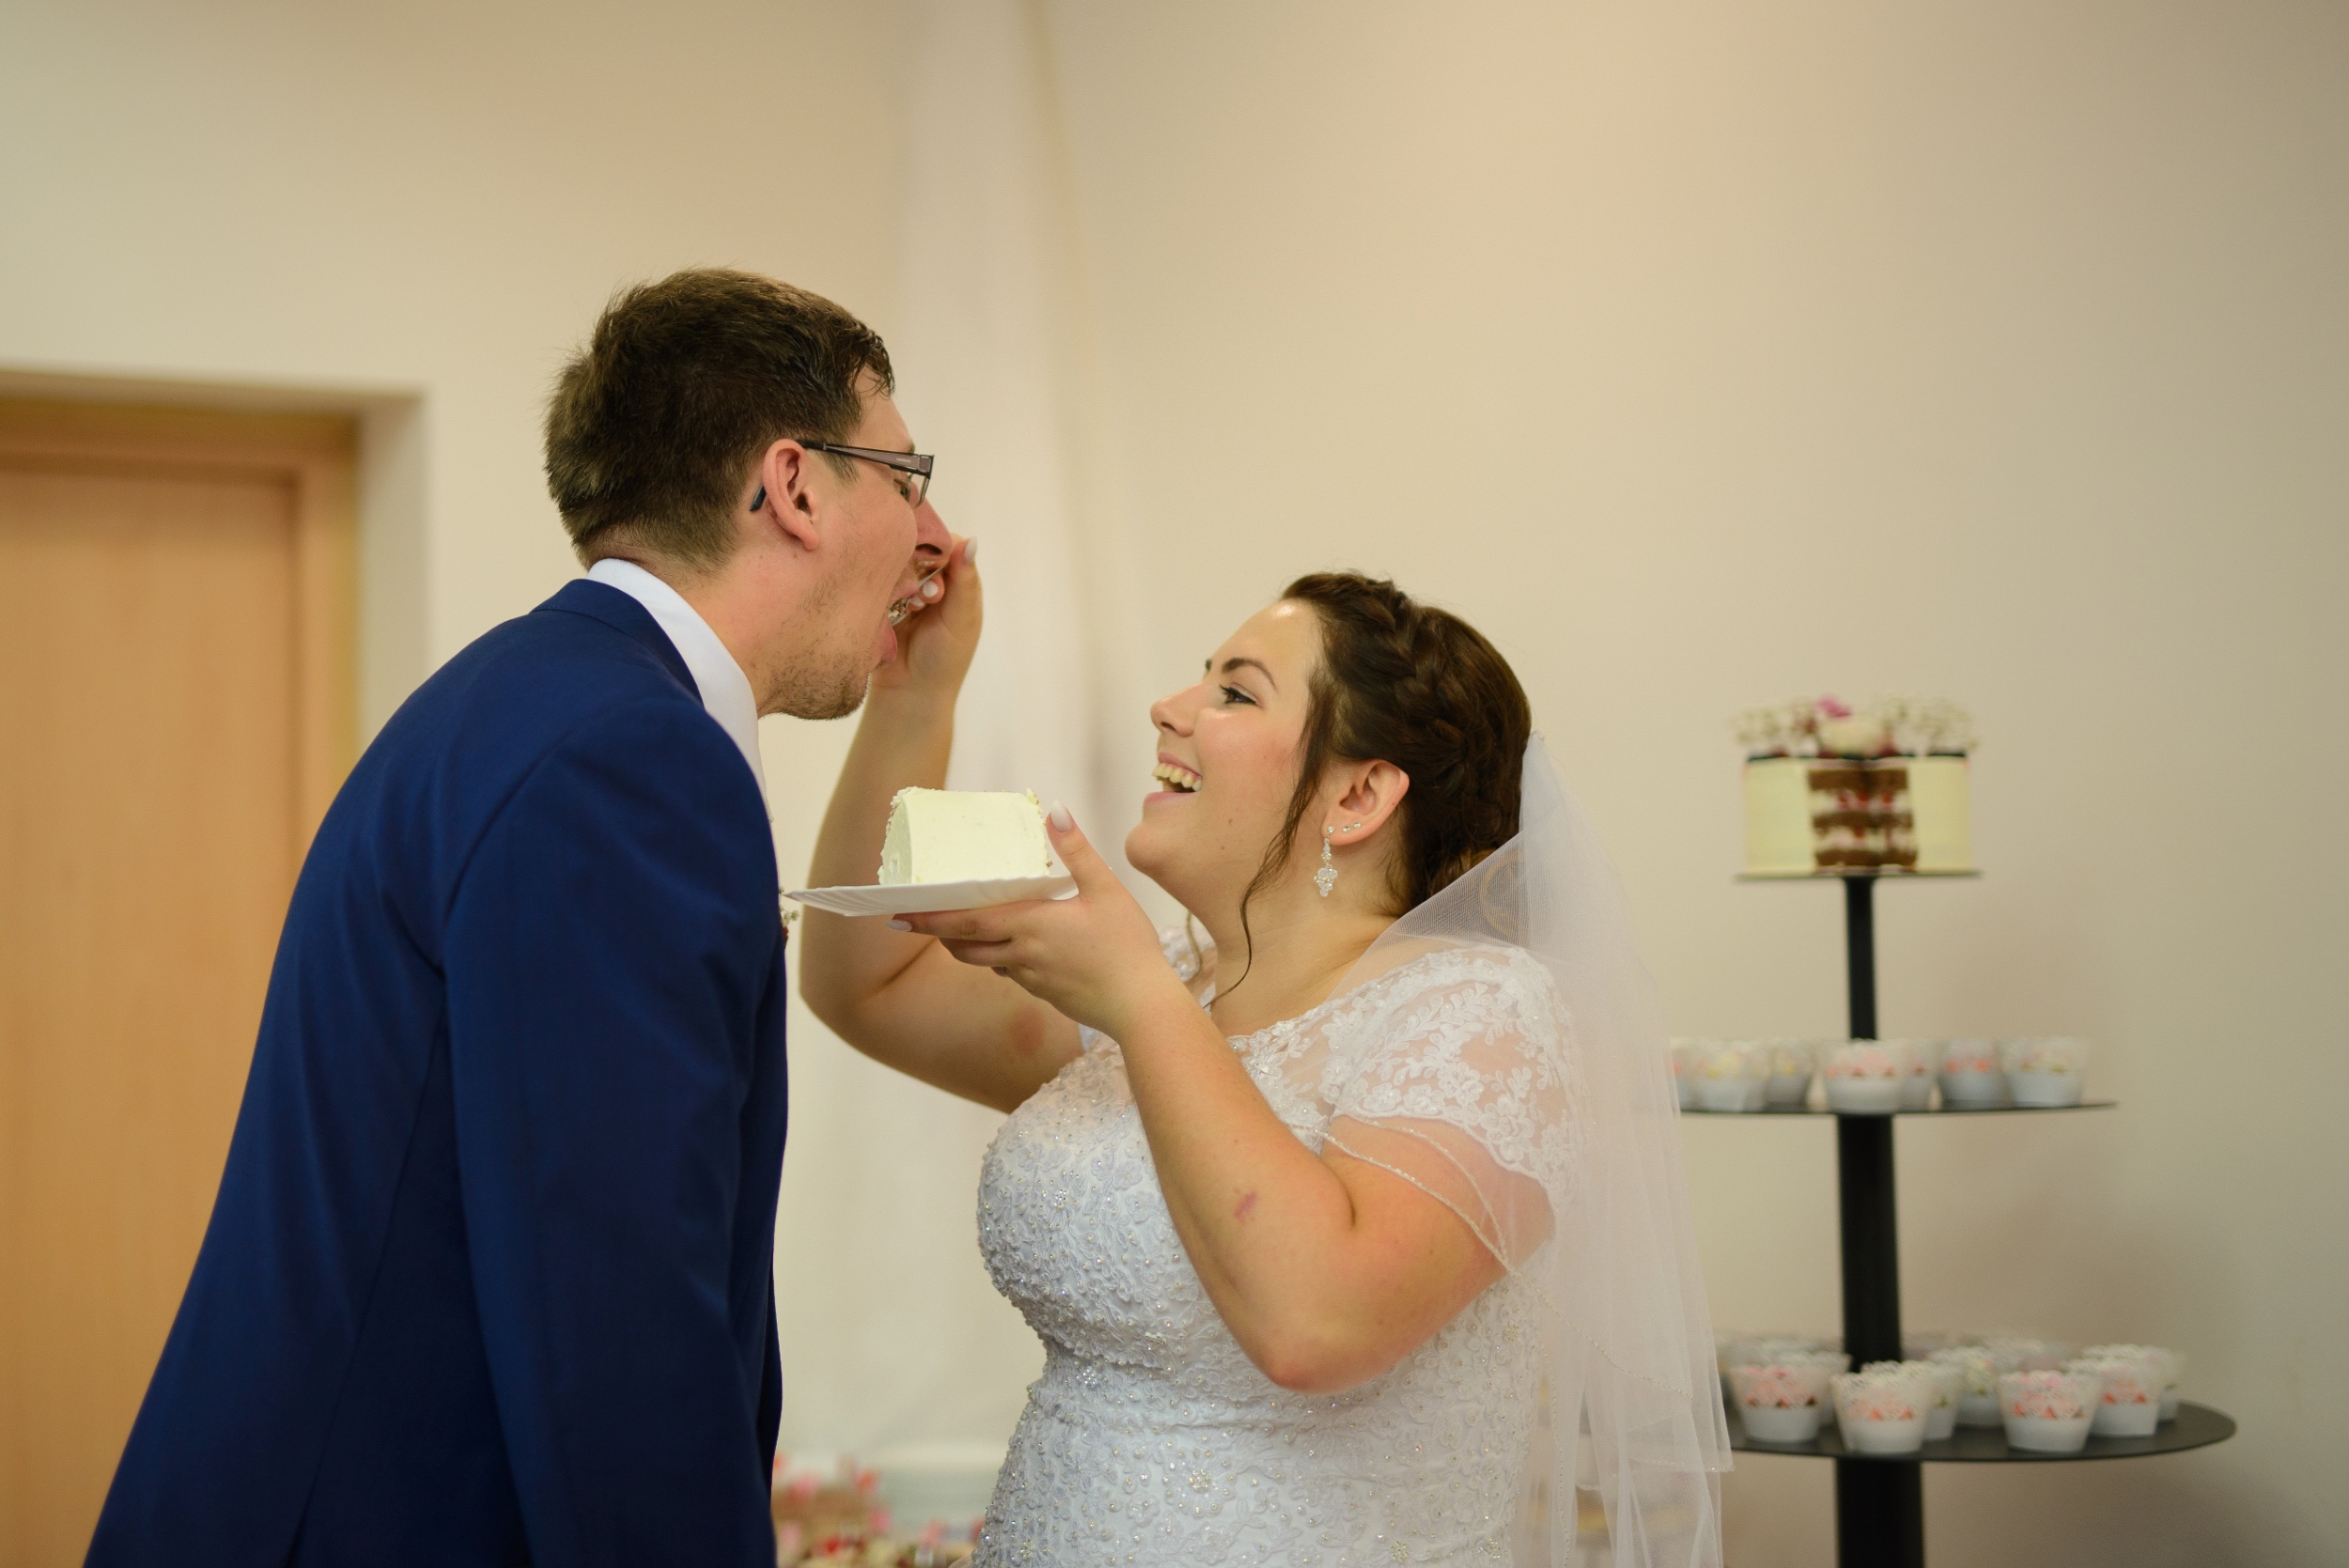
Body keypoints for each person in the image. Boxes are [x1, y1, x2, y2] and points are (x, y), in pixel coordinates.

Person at [89, 269, 957, 1567]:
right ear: (794, 485)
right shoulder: (631, 759)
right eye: (905, 476)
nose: (932, 532)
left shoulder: (528, 696)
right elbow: (617, 1315)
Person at [802, 570, 1730, 1566]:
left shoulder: (1483, 1010)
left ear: (1359, 795)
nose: (1168, 708)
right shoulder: (1171, 983)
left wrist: (1137, 997)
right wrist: (917, 691)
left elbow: (1318, 1325)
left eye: (1235, 692)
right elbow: (869, 984)